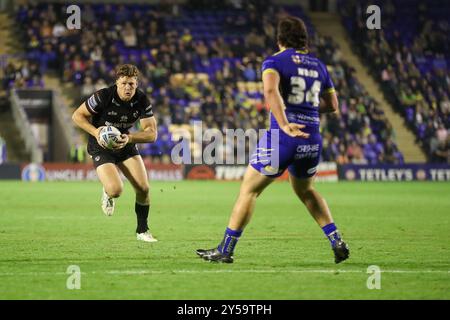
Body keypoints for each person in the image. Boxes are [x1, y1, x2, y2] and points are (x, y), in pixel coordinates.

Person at [197, 17, 349, 263]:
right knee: (307, 190)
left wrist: (287, 123)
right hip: (312, 139)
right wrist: (305, 110)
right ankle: (336, 240)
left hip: (283, 138)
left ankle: (225, 250)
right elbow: (332, 105)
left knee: (249, 191)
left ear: (279, 39)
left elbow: (270, 91)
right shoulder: (319, 66)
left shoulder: (274, 62)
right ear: (304, 40)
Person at [72, 64, 158, 242]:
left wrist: (130, 138)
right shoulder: (103, 96)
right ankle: (108, 192)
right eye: (124, 83)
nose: (128, 88)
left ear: (136, 84)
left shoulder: (142, 100)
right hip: (100, 144)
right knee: (116, 190)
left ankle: (142, 231)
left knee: (143, 188)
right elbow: (77, 116)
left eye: (132, 84)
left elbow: (152, 133)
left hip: (124, 142)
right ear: (117, 83)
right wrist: (96, 132)